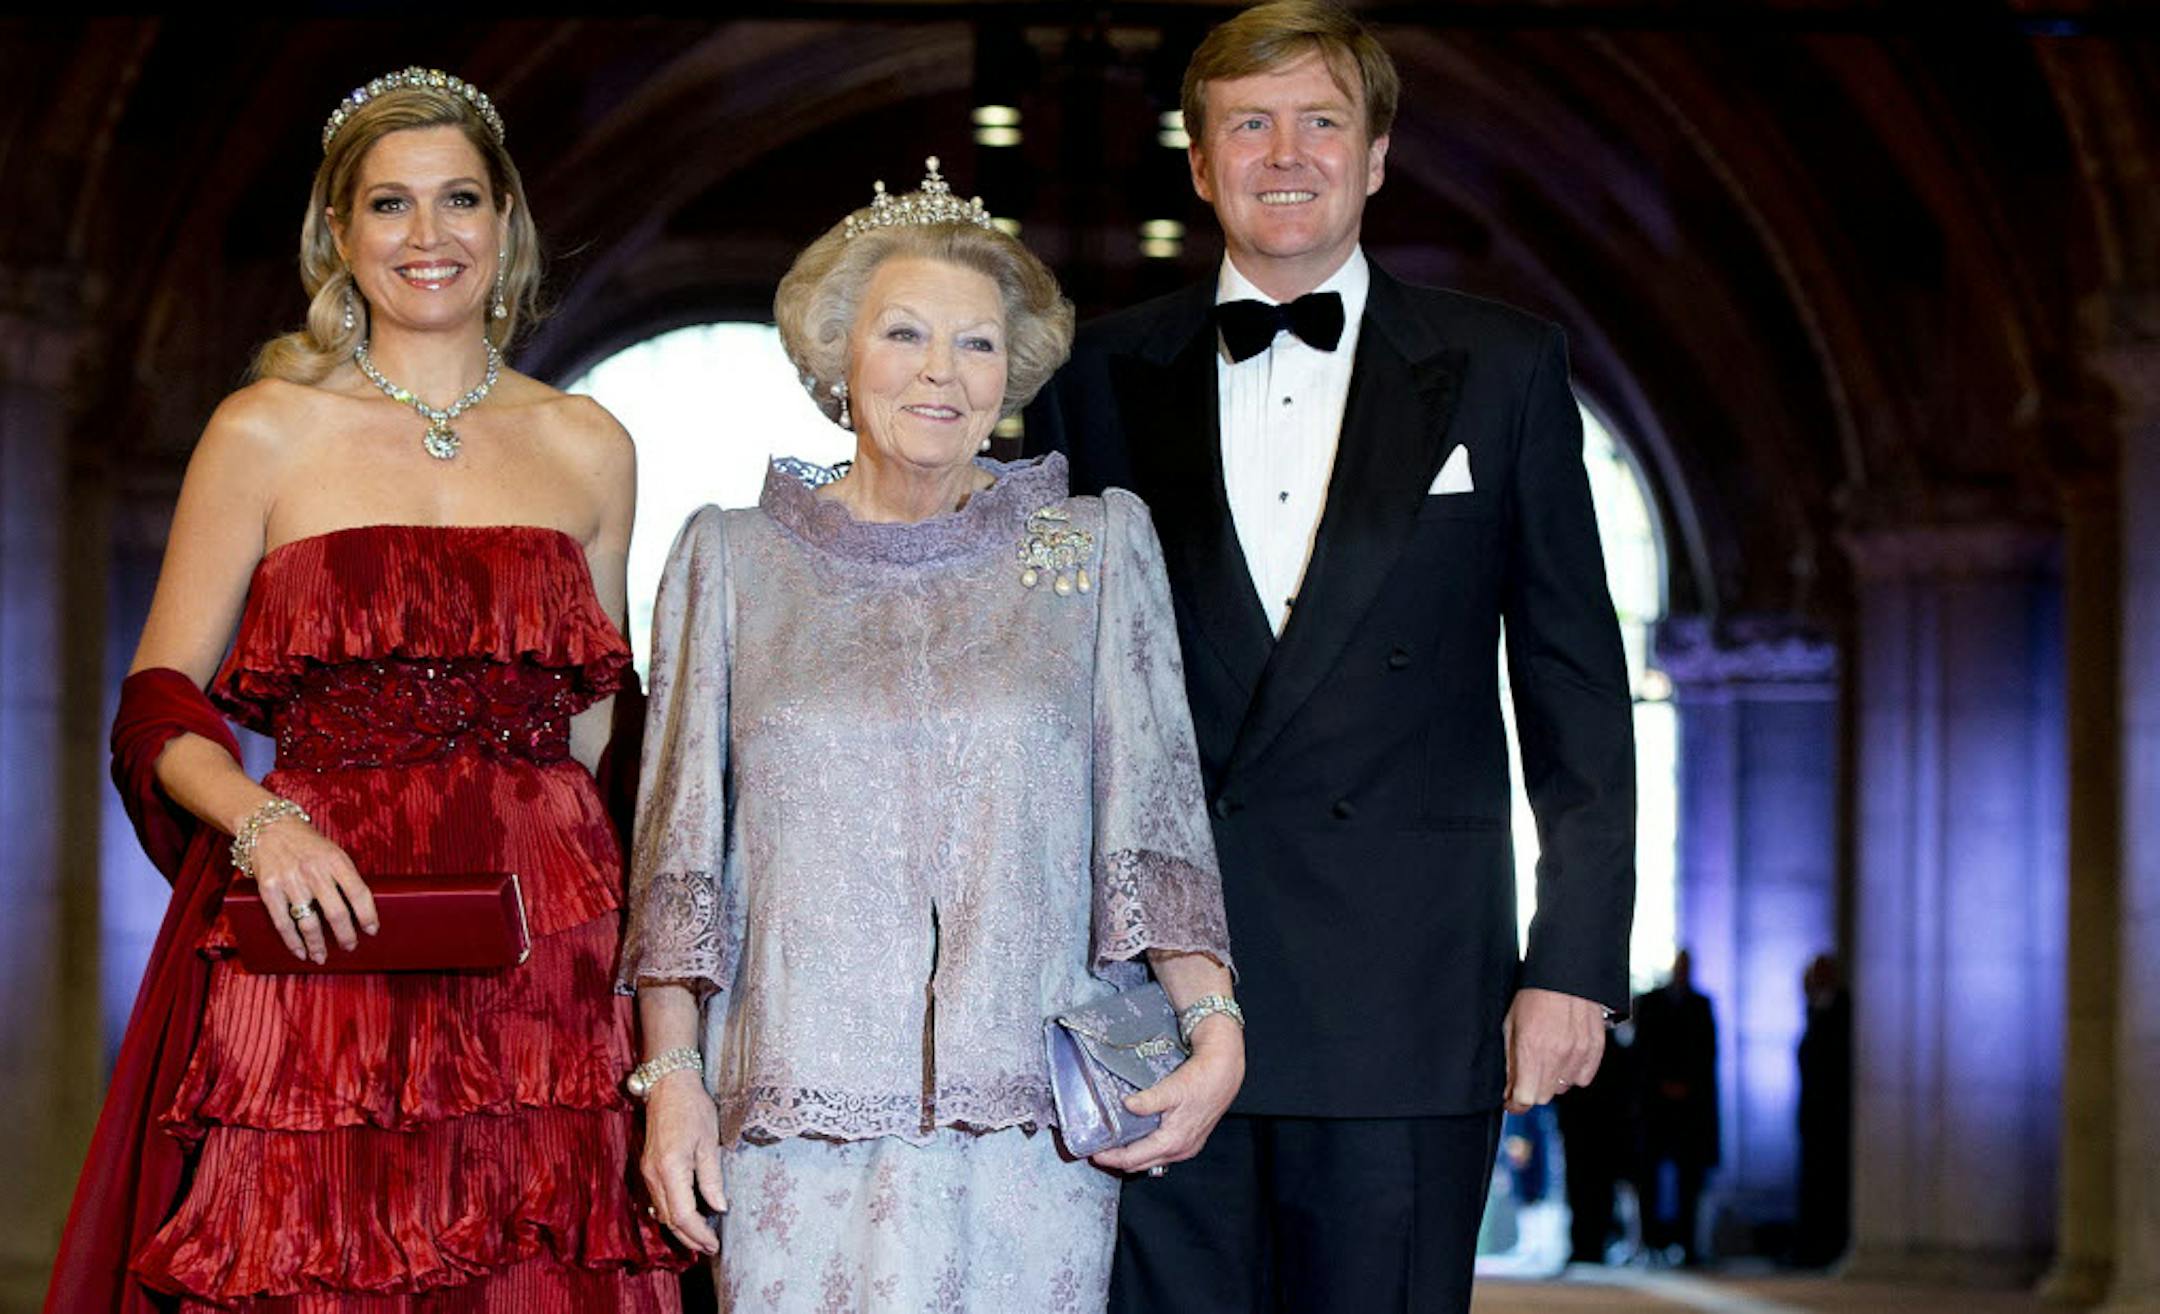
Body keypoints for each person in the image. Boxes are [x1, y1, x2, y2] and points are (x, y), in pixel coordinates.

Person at [1025, 3, 1638, 1309]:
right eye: (1250, 124)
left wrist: (1575, 960)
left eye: (1321, 122)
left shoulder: (1502, 368)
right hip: (1157, 994)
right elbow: (1047, 691)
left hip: (1406, 995)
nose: (1285, 153)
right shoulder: (1095, 378)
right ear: (1200, 162)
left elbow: (1575, 685)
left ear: (1374, 158)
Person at [45, 68, 680, 1312]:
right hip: (327, 911)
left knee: (536, 1259)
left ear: (505, 224)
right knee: (314, 1254)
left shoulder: (588, 441)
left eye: (458, 201)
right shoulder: (265, 430)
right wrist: (262, 822)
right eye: (390, 205)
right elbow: (159, 701)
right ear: (339, 234)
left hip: (548, 937)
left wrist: (648, 943)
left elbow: (606, 718)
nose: (427, 237)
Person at [621, 158, 1243, 1313]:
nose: (942, 374)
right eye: (905, 334)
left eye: (976, 344)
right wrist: (672, 1079)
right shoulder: (729, 559)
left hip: (1034, 1120)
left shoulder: (1092, 551)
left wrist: (1213, 1022)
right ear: (835, 361)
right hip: (789, 1116)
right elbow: (677, 867)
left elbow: (1156, 824)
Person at [1632, 948, 1719, 1265]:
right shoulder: (1650, 1003)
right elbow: (1642, 1053)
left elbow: (1708, 1055)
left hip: (1690, 1108)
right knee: (1648, 1179)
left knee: (1689, 1181)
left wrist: (1686, 1086)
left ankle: (1687, 1244)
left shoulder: (1702, 1005)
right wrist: (1662, 1084)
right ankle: (1651, 1243)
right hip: (1655, 1106)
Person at [1793, 951, 1850, 1266]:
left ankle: (1827, 1246)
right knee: (1812, 1184)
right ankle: (1810, 1247)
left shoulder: (1842, 1009)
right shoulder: (1812, 1009)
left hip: (1833, 1116)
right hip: (1812, 1115)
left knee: (1830, 1185)